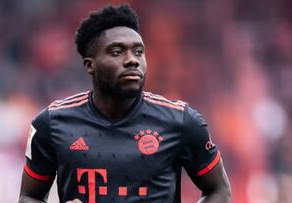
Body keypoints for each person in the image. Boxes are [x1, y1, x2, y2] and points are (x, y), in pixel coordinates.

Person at [18, 4, 232, 203]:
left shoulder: (182, 120)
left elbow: (219, 189)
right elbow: (29, 196)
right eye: (117, 52)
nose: (132, 60)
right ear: (90, 65)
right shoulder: (52, 123)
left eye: (138, 51)